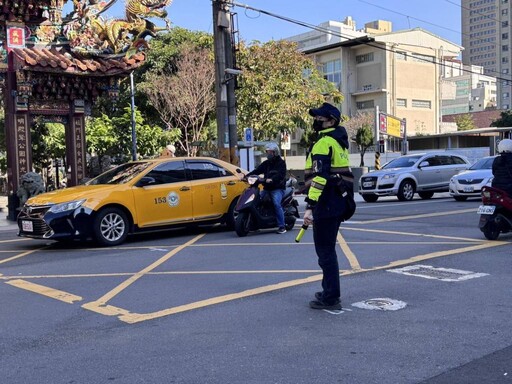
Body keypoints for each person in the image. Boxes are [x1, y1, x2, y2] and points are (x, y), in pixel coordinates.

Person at [303, 102, 351, 310]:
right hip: (337, 202)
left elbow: (319, 178)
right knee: (328, 251)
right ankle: (329, 290)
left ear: (331, 120)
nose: (316, 121)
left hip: (326, 203)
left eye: (320, 118)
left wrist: (310, 206)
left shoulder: (324, 143)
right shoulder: (338, 142)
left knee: (325, 252)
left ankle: (330, 296)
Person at [246, 142, 288, 234]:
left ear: (275, 152)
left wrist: (272, 179)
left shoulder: (281, 163)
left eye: (270, 152)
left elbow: (280, 175)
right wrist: (246, 176)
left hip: (277, 188)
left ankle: (282, 226)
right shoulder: (266, 163)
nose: (268, 154)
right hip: (267, 188)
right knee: (255, 200)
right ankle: (255, 223)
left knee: (276, 204)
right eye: (267, 152)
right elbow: (257, 170)